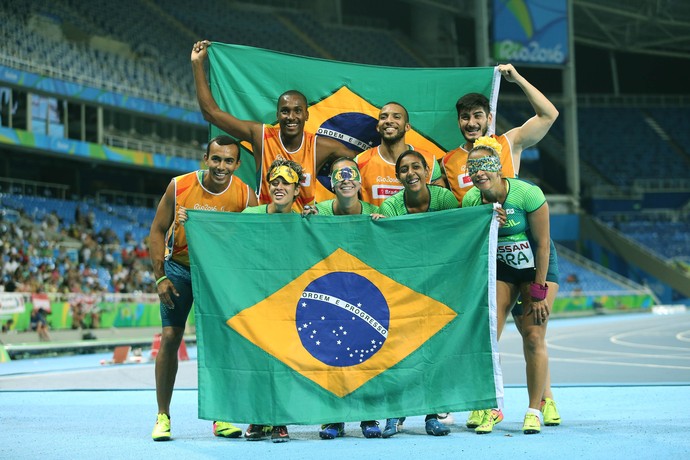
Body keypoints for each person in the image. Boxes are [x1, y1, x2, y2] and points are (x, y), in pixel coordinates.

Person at [148, 135, 257, 442]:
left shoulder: (245, 195)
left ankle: (220, 415)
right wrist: (160, 277)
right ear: (206, 159)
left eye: (228, 161)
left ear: (237, 164)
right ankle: (162, 416)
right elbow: (156, 231)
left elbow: (257, 234)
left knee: (220, 343)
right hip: (179, 269)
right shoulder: (179, 186)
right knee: (170, 336)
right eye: (216, 159)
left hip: (217, 274)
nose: (221, 166)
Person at [461, 136, 560, 435]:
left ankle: (535, 409)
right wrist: (490, 224)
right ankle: (490, 406)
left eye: (484, 165)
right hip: (503, 270)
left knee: (532, 336)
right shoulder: (471, 200)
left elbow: (542, 246)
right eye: (472, 167)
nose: (479, 172)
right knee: (488, 339)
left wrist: (539, 291)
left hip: (536, 269)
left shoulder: (527, 194)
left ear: (499, 167)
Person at [191, 40, 355, 212]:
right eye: (285, 111)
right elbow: (211, 113)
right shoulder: (261, 136)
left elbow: (365, 165)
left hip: (302, 229)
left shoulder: (319, 147)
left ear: (306, 115)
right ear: (277, 115)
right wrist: (197, 63)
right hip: (266, 228)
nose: (291, 117)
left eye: (297, 111)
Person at [376, 150, 457, 438]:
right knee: (398, 350)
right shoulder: (390, 207)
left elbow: (460, 230)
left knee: (433, 351)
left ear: (426, 171)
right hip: (403, 287)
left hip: (438, 286)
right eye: (404, 169)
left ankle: (432, 413)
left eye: (416, 167)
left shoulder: (444, 199)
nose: (410, 173)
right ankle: (394, 412)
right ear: (397, 176)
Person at [302, 157, 383, 439]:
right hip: (328, 296)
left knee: (365, 357)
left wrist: (386, 229)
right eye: (339, 176)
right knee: (330, 355)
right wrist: (307, 221)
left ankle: (367, 416)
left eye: (351, 175)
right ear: (332, 184)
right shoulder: (319, 212)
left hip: (365, 295)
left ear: (360, 182)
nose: (346, 179)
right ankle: (332, 418)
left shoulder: (377, 213)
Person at [442, 64, 559, 204]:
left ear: (489, 119)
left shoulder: (509, 143)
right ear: (458, 122)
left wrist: (518, 79)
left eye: (478, 116)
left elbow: (549, 115)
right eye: (465, 117)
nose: (471, 123)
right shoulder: (447, 161)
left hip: (512, 222)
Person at [356, 102, 445, 207]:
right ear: (377, 127)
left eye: (397, 117)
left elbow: (441, 206)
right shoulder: (359, 161)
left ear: (407, 127)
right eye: (383, 117)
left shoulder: (429, 161)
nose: (389, 121)